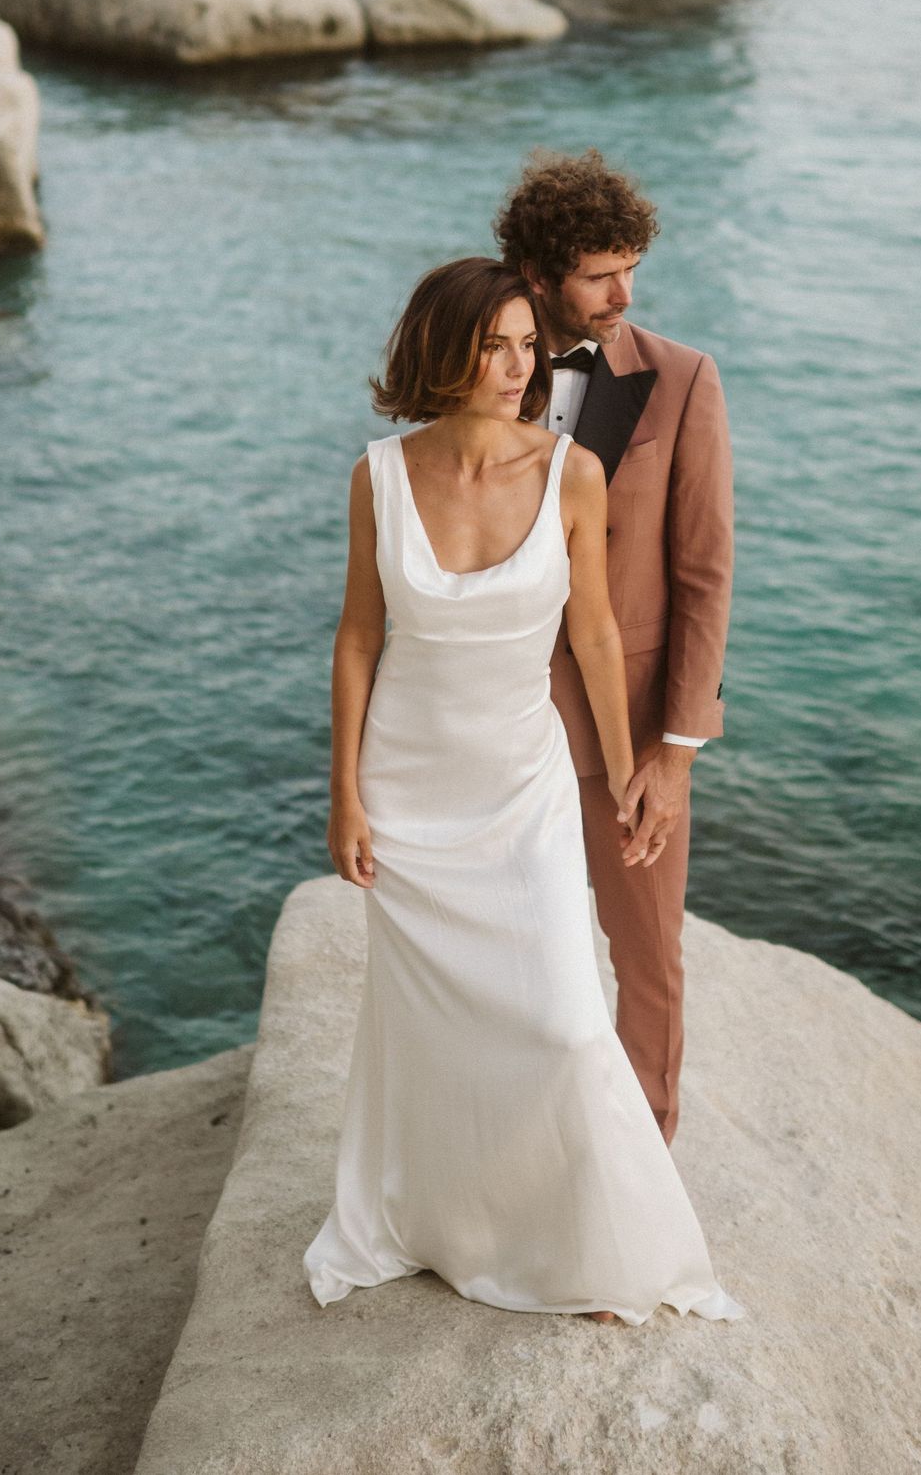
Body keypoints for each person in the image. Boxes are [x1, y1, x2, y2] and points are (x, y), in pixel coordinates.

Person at [304, 257, 741, 1326]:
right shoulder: (379, 475)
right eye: (492, 345)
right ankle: (449, 1222)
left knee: (562, 1022)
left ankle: (595, 1241)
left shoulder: (571, 474)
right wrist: (346, 798)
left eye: (524, 344)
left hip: (525, 782)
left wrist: (636, 768)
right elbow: (360, 639)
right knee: (431, 1026)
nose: (517, 365)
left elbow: (592, 633)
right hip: (410, 786)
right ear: (440, 352)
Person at [495, 149, 734, 1146]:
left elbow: (703, 577)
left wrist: (674, 753)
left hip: (625, 732)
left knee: (646, 960)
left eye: (631, 268)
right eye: (600, 273)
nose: (623, 294)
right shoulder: (479, 366)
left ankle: (639, 1185)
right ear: (543, 274)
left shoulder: (679, 382)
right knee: (508, 957)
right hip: (495, 726)